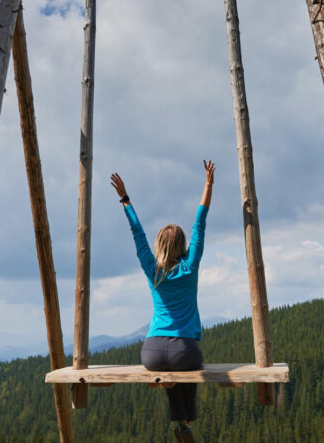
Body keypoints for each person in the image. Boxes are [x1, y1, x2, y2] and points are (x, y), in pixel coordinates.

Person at [110, 160, 215, 443]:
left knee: (170, 372)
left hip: (153, 351)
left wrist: (125, 199)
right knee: (185, 368)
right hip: (186, 350)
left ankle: (182, 422)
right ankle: (185, 422)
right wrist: (208, 186)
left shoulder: (151, 269)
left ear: (159, 244)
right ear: (182, 246)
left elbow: (137, 234)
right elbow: (199, 225)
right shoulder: (190, 267)